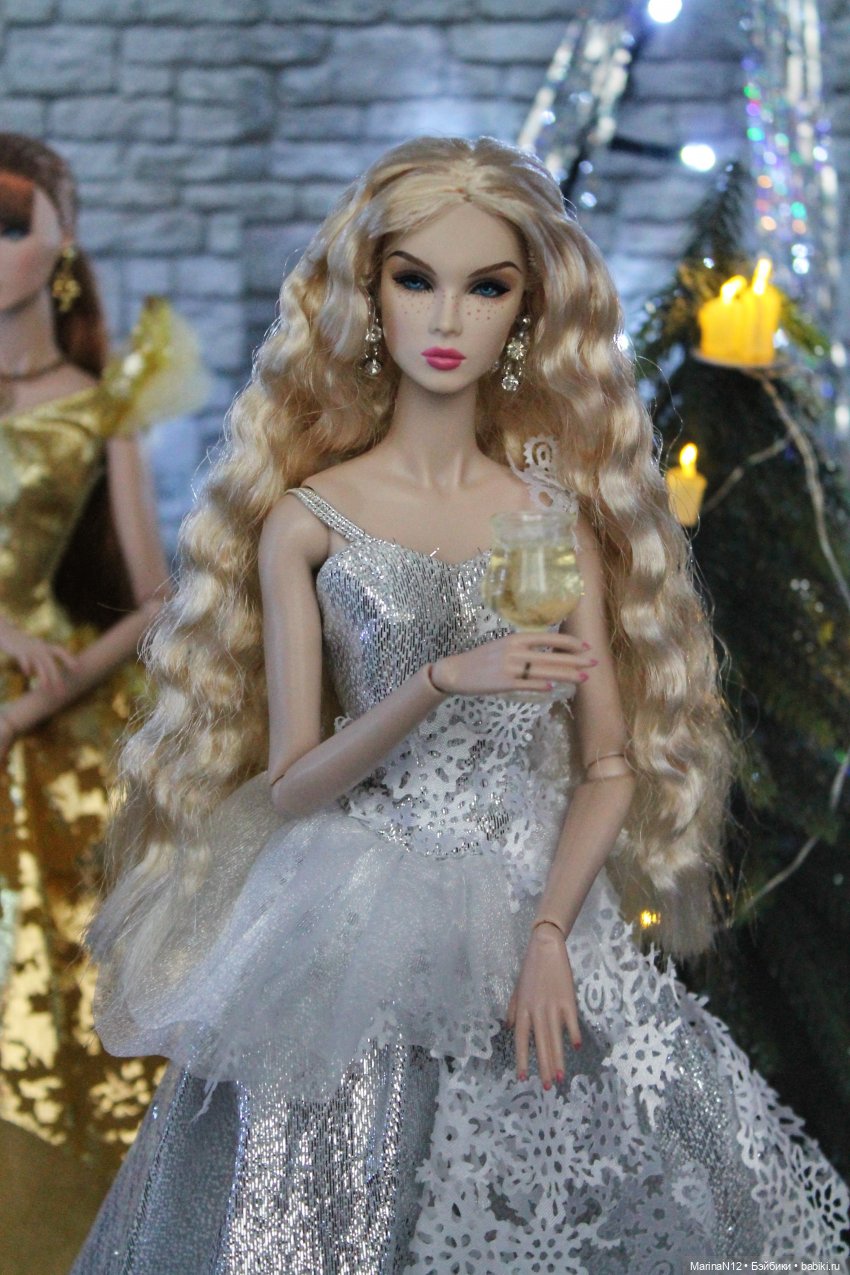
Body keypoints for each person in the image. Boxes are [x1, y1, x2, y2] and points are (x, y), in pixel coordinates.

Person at [72, 136, 848, 1273]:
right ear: (370, 295)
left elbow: (609, 765)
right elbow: (294, 784)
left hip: (532, 903)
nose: (447, 318)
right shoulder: (308, 522)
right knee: (325, 1205)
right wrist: (438, 681)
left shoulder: (549, 520)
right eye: (415, 279)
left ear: (525, 314)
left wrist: (551, 931)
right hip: (349, 913)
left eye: (486, 288)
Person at [0, 132, 207, 1214]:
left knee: (75, 946)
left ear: (63, 243)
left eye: (10, 225)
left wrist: (40, 691)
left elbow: (154, 600)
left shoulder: (99, 406)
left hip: (55, 704)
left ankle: (68, 1210)